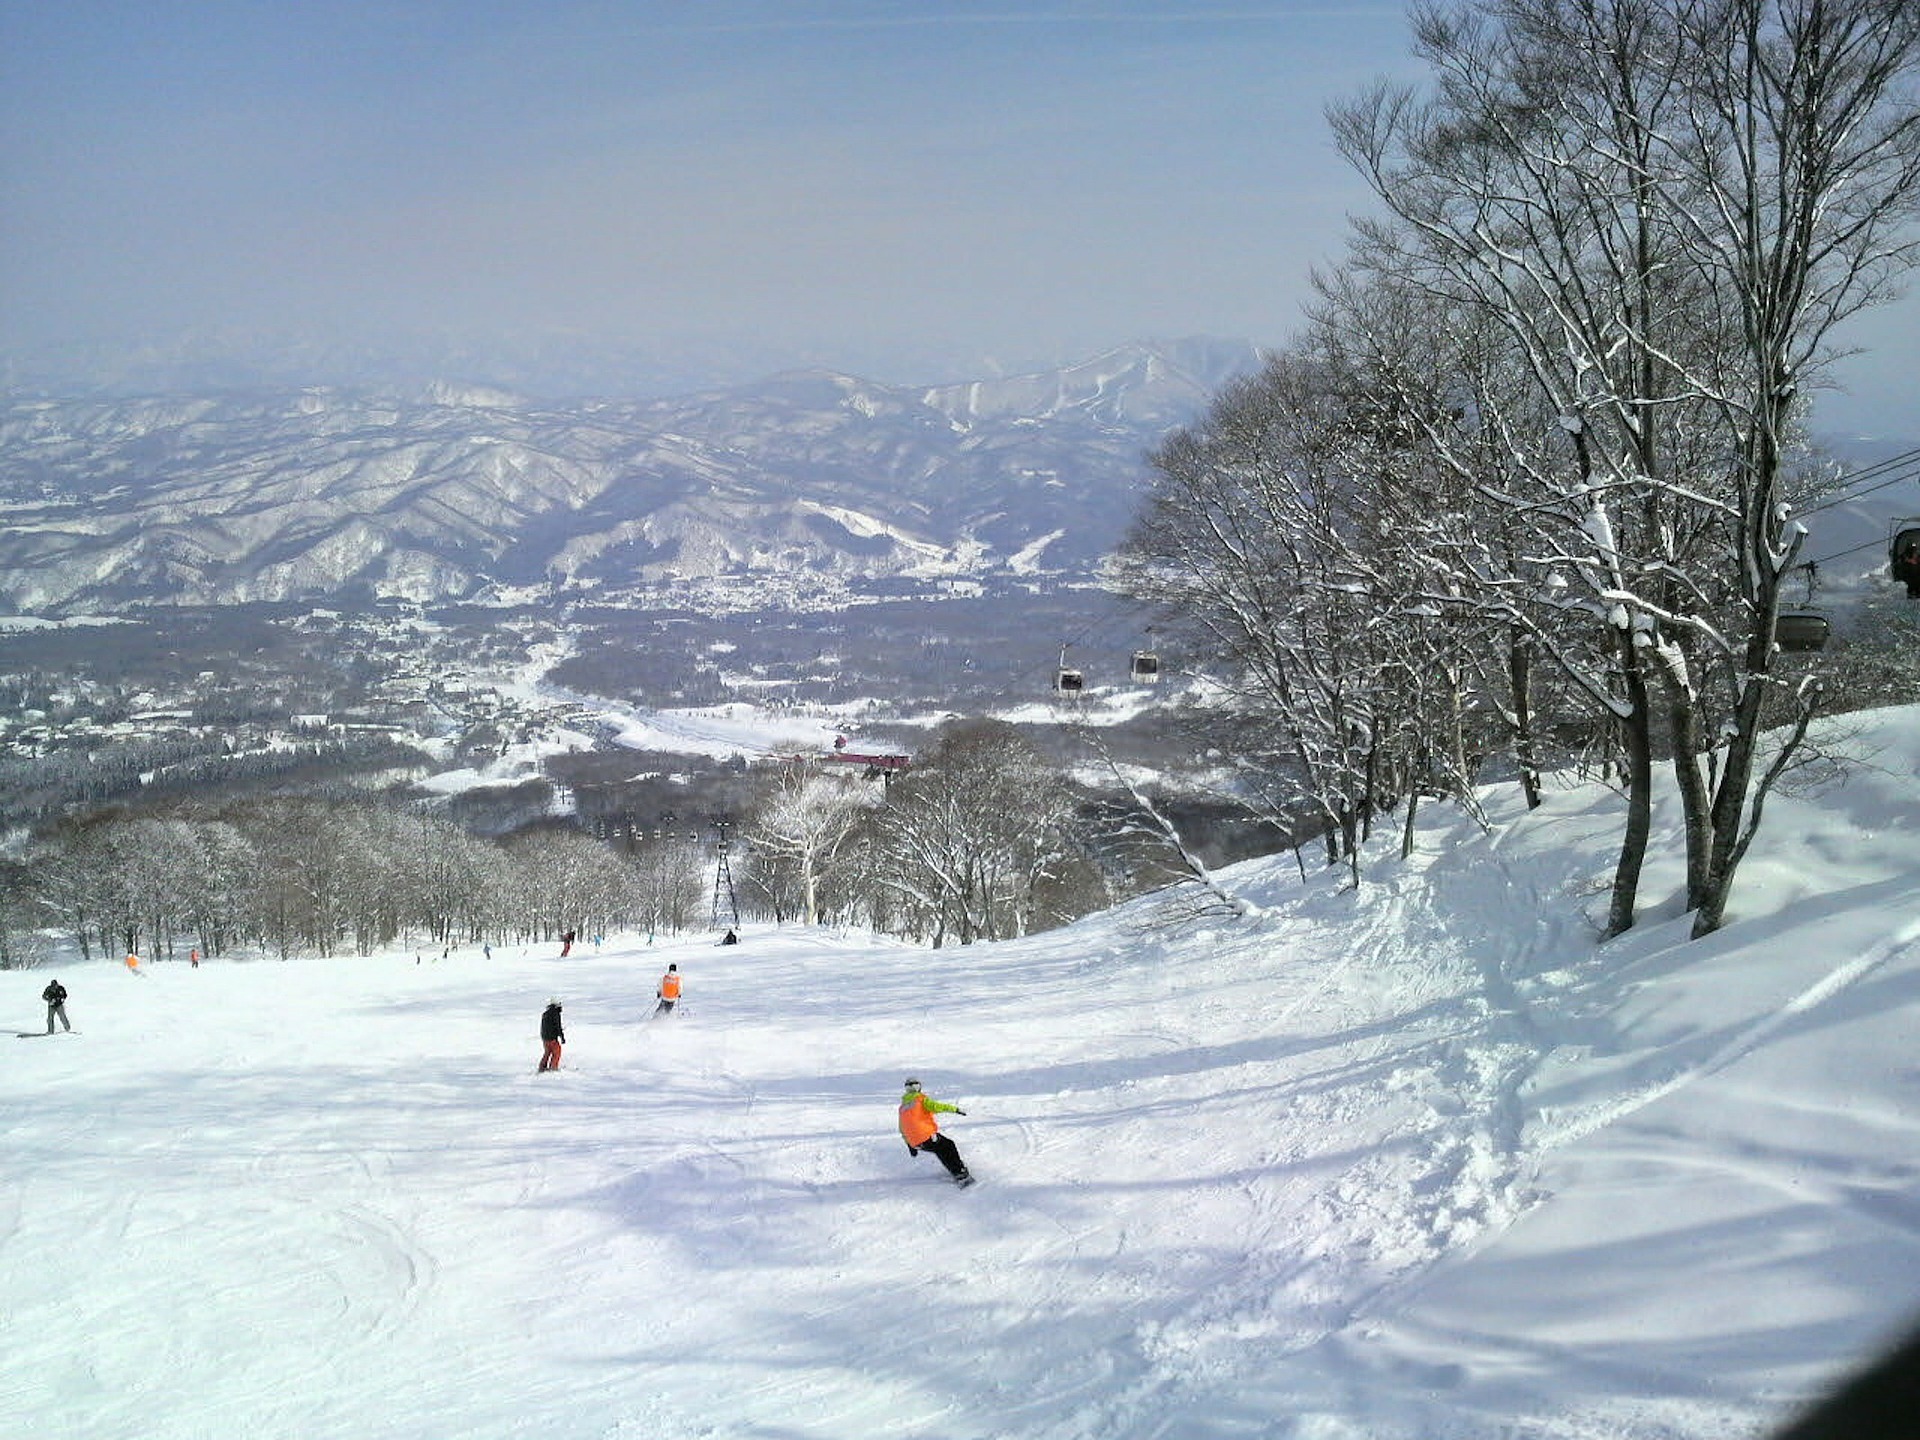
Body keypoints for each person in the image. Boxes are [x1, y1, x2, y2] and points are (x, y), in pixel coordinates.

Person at [898, 1077, 973, 1186]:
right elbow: (937, 1106)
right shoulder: (921, 1099)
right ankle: (960, 1173)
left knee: (940, 1149)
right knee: (948, 1145)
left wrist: (909, 1145)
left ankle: (955, 1170)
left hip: (915, 1143)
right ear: (918, 1087)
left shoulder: (902, 1107)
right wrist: (955, 1109)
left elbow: (902, 1128)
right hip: (926, 1136)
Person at [538, 999, 565, 1072]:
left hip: (544, 1038)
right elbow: (558, 1026)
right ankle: (553, 1068)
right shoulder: (556, 1013)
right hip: (552, 1038)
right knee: (557, 1052)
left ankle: (542, 1067)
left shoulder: (545, 1013)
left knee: (547, 1052)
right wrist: (562, 1037)